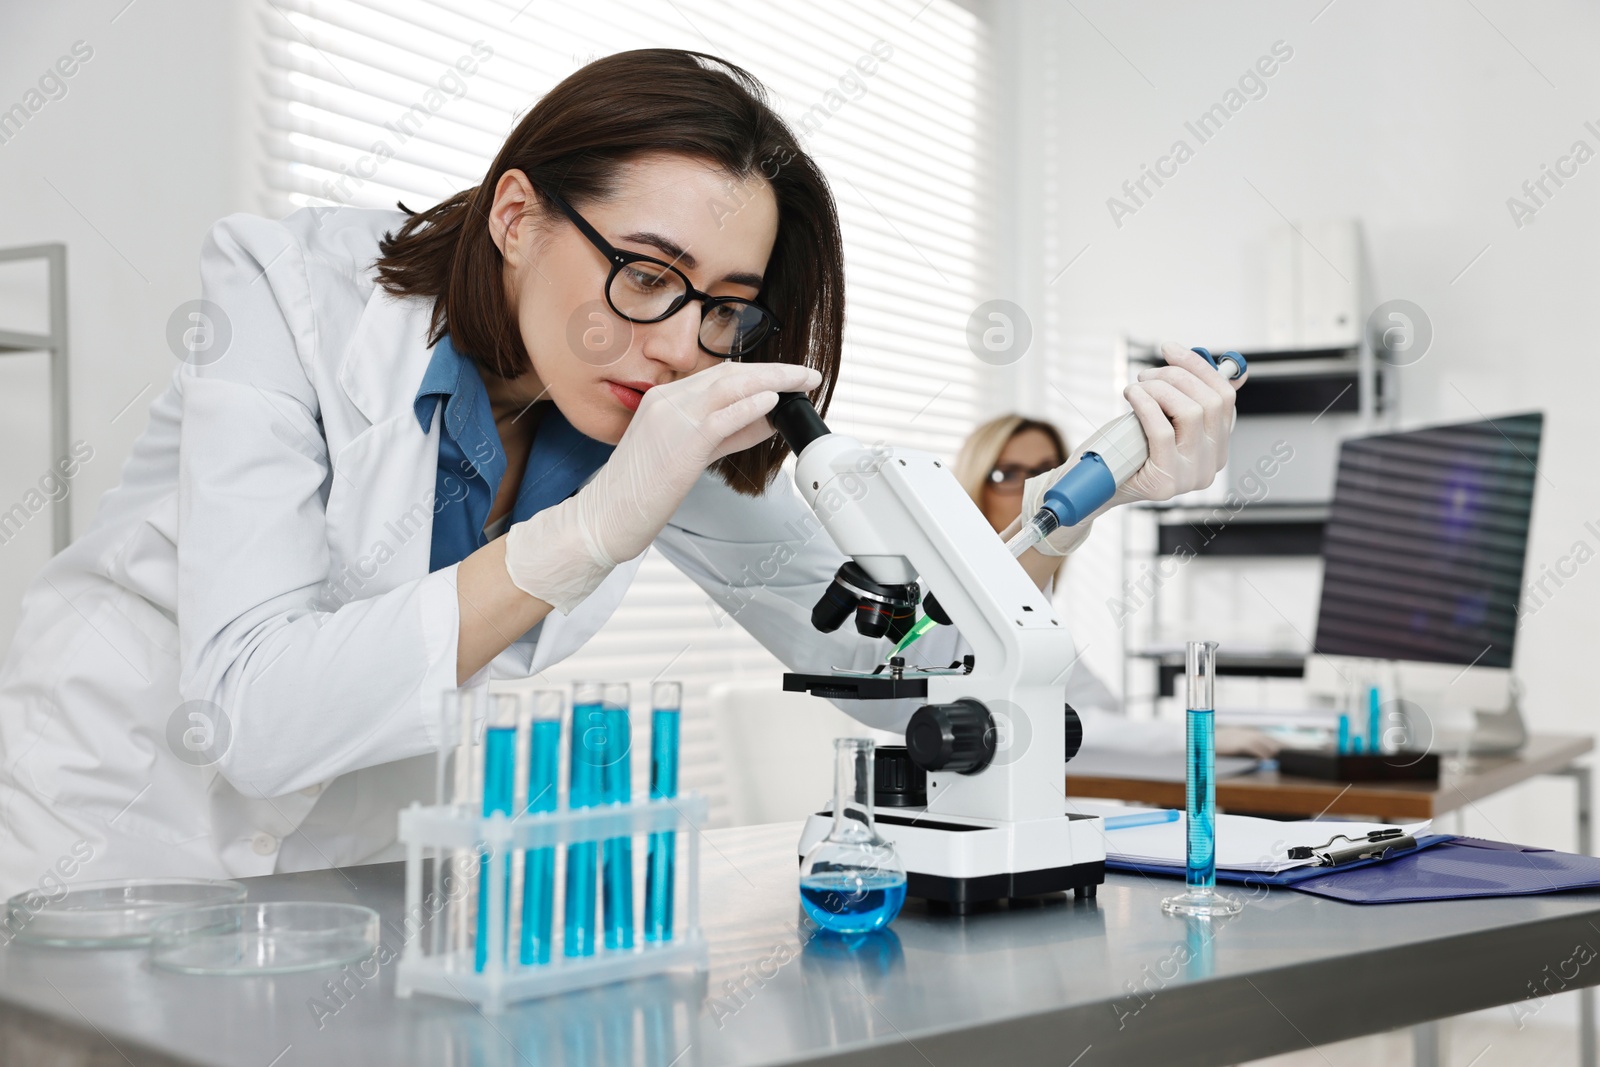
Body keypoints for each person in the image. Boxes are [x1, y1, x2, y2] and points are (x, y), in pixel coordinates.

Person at [0, 50, 1246, 896]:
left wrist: (1087, 508)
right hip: (94, 840)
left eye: (725, 309)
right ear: (516, 216)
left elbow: (902, 674)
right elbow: (260, 716)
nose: (674, 342)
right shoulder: (286, 296)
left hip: (339, 889)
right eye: (643, 273)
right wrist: (594, 526)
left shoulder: (651, 402)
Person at [953, 414, 1281, 759]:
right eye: (1007, 474)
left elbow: (1092, 706)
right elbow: (1045, 717)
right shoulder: (946, 590)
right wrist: (1192, 736)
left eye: (1046, 472)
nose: (1030, 491)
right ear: (974, 485)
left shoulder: (1033, 595)